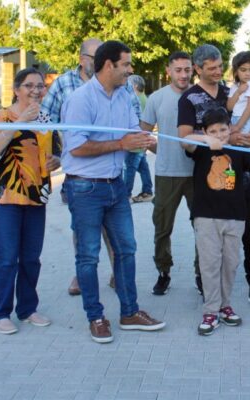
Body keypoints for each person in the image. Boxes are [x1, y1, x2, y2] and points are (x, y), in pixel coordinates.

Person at [61, 40, 166, 344]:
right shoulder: (80, 100)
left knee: (126, 249)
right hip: (84, 187)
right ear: (109, 65)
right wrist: (122, 144)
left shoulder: (125, 95)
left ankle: (129, 313)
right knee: (88, 256)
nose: (131, 70)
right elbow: (76, 147)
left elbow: (135, 134)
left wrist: (159, 146)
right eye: (126, 64)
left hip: (116, 186)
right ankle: (95, 317)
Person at [178, 44, 250, 311]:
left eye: (220, 66)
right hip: (209, 179)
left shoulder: (233, 89)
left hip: (242, 173)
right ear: (198, 69)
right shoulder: (189, 98)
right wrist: (216, 139)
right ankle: (208, 289)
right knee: (208, 236)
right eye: (212, 68)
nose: (219, 71)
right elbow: (183, 139)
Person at [182, 108, 250, 336]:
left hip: (235, 217)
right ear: (205, 131)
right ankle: (210, 311)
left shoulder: (237, 150)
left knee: (230, 264)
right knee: (210, 264)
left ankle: (224, 306)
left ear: (230, 128)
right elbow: (185, 141)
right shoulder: (201, 149)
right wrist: (206, 140)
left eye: (223, 130)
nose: (219, 135)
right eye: (213, 131)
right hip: (206, 217)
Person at [0, 68, 61, 334]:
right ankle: (0, 313)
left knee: (31, 258)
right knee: (7, 257)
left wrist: (56, 161)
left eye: (40, 86)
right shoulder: (1, 116)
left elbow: (56, 152)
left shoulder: (46, 119)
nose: (36, 91)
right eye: (29, 86)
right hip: (5, 196)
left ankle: (27, 309)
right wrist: (20, 122)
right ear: (16, 90)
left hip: (36, 197)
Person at [39, 38, 113, 297]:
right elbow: (44, 121)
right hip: (79, 174)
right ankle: (82, 274)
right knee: (83, 228)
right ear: (82, 60)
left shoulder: (116, 82)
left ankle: (118, 272)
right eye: (95, 57)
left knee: (114, 226)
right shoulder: (63, 84)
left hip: (111, 170)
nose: (102, 62)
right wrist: (54, 155)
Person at [142, 51, 198, 295]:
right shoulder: (157, 98)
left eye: (187, 70)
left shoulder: (200, 96)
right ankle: (163, 272)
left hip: (197, 174)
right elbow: (143, 132)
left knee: (202, 227)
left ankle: (201, 274)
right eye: (178, 70)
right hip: (166, 173)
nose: (183, 75)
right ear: (169, 71)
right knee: (162, 228)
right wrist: (159, 149)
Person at [125, 74, 154, 203]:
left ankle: (126, 195)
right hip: (141, 140)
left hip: (136, 140)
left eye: (129, 84)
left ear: (135, 86)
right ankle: (147, 191)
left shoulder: (137, 99)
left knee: (130, 168)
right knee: (143, 167)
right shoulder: (144, 99)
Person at [227, 51, 250, 136]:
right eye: (243, 70)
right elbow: (229, 107)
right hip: (235, 119)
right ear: (236, 71)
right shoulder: (235, 86)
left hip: (248, 120)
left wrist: (238, 126)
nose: (247, 73)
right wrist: (238, 92)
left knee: (242, 141)